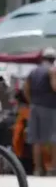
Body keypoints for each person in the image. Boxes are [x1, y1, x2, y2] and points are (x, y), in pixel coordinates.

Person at [24, 47, 56, 176]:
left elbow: (25, 88)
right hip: (49, 107)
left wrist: (31, 101)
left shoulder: (33, 71)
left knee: (36, 139)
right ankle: (52, 168)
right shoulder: (52, 71)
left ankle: (38, 169)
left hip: (34, 106)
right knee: (53, 137)